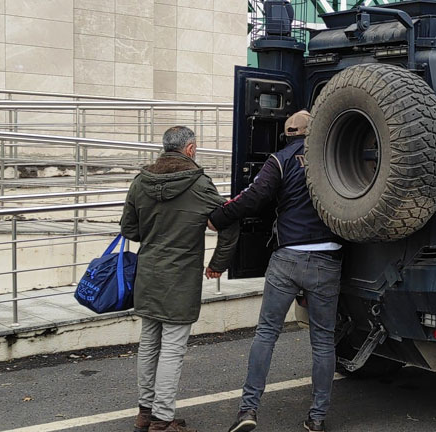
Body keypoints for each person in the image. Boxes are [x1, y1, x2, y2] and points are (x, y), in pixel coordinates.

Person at [210, 110, 343, 432]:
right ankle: (317, 417)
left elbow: (254, 197)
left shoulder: (279, 160)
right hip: (328, 259)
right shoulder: (335, 159)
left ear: (288, 133)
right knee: (323, 341)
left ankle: (248, 411)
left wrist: (220, 217)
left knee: (267, 334)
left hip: (288, 258)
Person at [121, 126, 239, 432]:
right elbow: (228, 223)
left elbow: (130, 230)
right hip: (181, 277)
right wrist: (217, 263)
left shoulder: (140, 181)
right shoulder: (199, 184)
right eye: (195, 147)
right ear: (189, 149)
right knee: (172, 347)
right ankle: (162, 419)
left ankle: (145, 414)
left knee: (149, 344)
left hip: (148, 274)